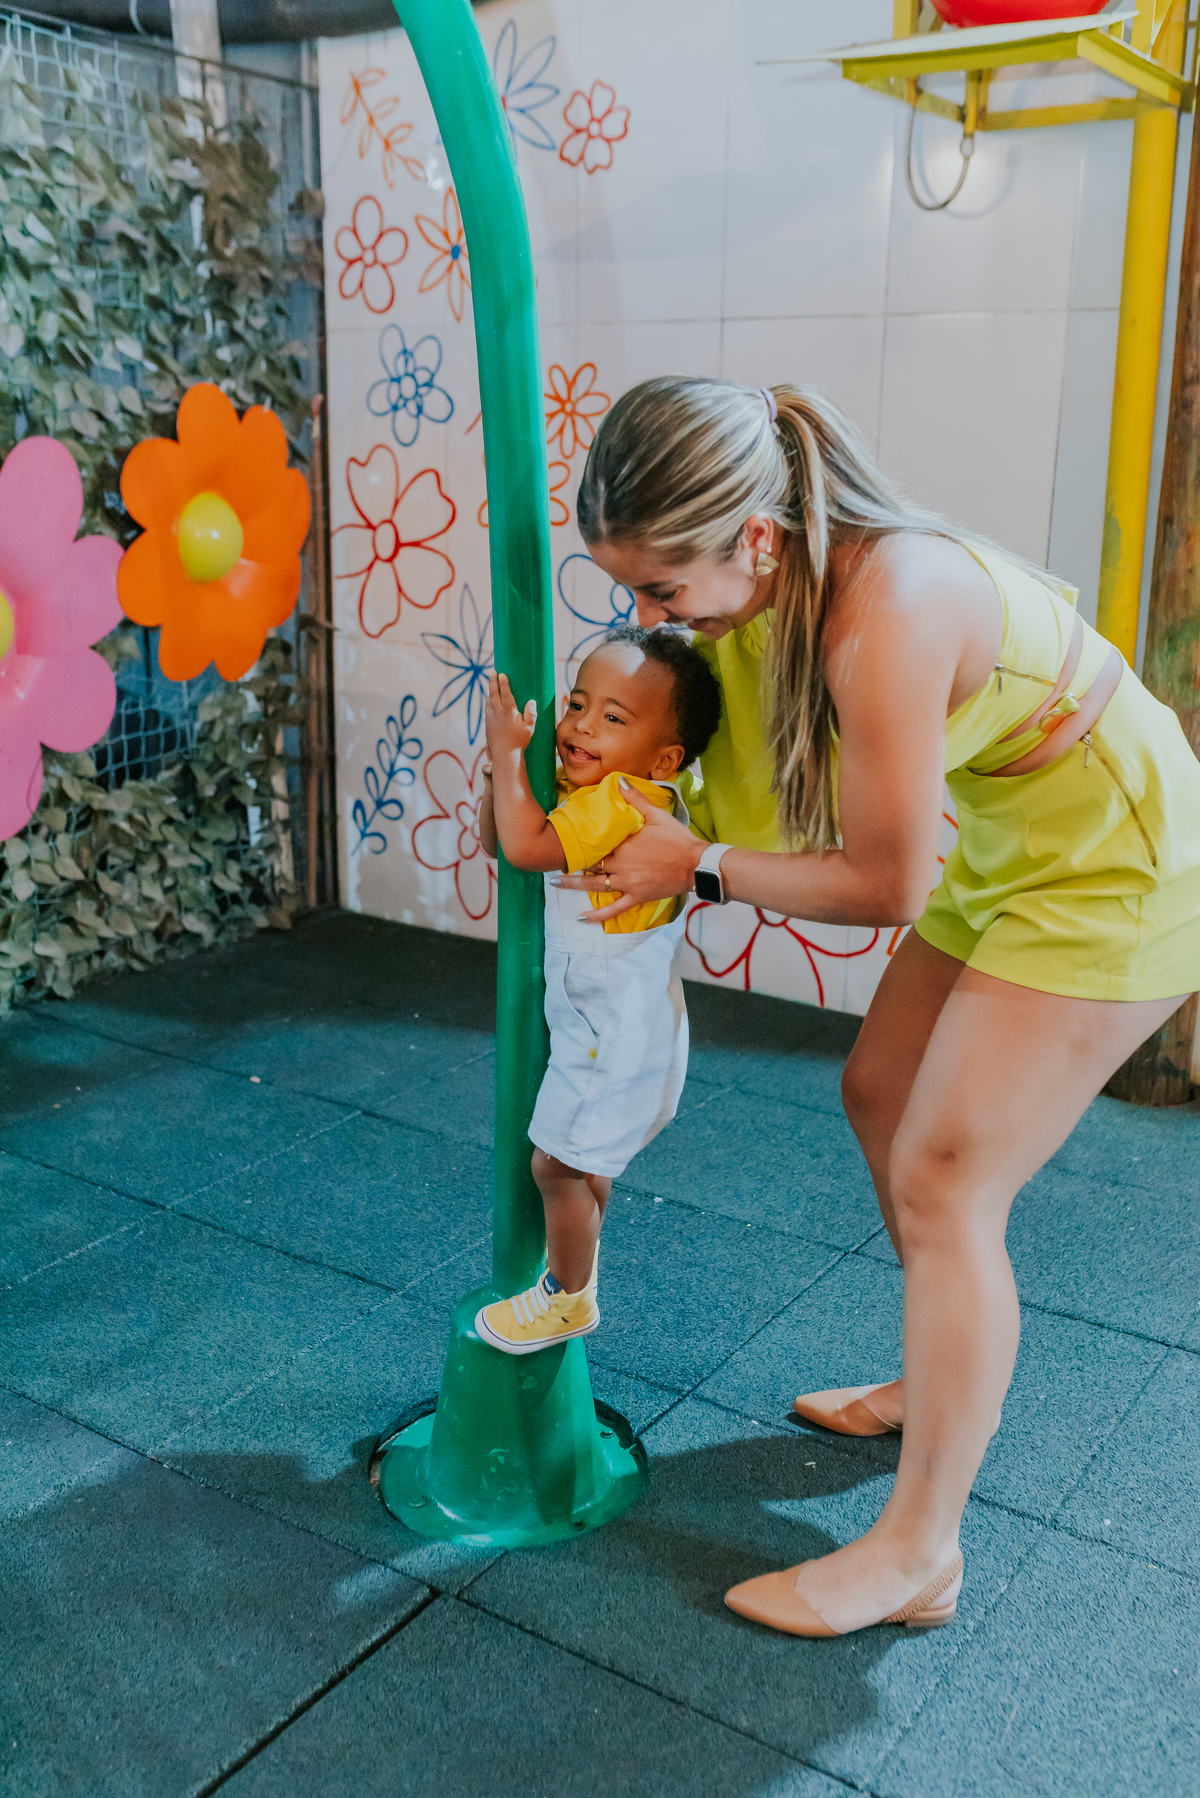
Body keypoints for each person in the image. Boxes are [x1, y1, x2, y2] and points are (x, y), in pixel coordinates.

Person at [556, 376, 1200, 1636]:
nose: (650, 619)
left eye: (663, 592)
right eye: (630, 591)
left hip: (1122, 859)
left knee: (946, 1175)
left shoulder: (882, 611)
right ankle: (937, 1369)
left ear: (753, 538)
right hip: (1024, 838)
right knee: (880, 1090)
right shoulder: (790, 577)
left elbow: (885, 881)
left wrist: (695, 862)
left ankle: (921, 1550)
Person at [474, 624, 722, 1356]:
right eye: (578, 704)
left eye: (613, 718)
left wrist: (505, 754)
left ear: (664, 756)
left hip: (613, 1031)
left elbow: (521, 848)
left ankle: (567, 1297)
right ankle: (574, 1271)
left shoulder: (619, 799)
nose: (580, 725)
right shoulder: (610, 791)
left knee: (554, 1165)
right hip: (624, 1023)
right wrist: (505, 776)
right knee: (583, 1165)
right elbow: (502, 837)